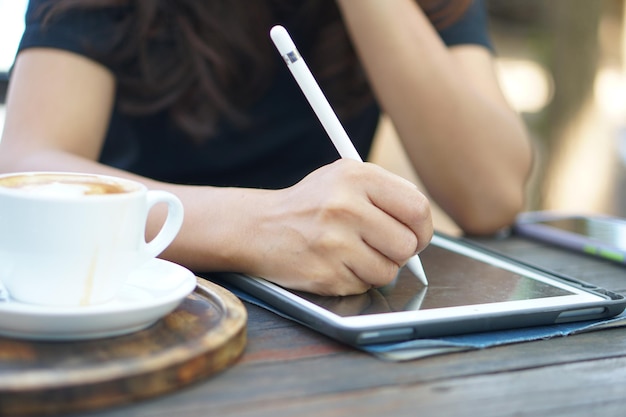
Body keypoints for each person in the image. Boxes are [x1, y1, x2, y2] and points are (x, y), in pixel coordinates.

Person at [0, 0, 531, 296]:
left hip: (336, 328)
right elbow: (26, 165)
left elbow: (490, 194)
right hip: (136, 299)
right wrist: (256, 225)